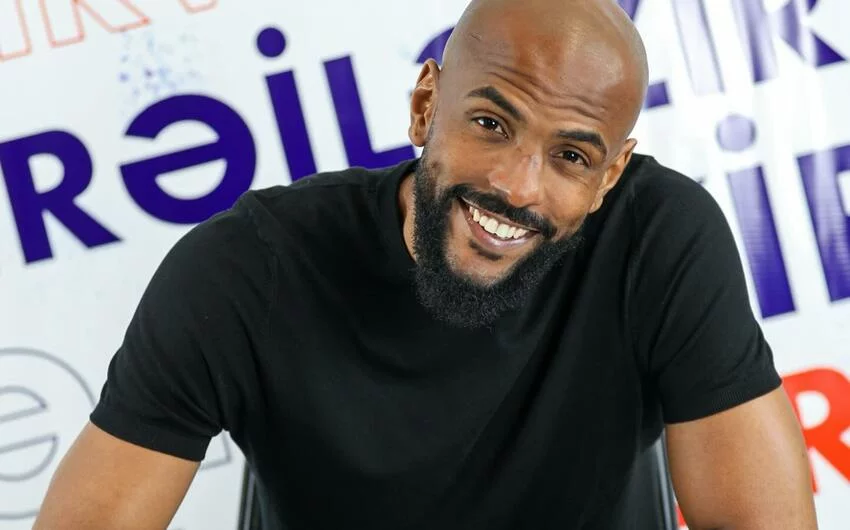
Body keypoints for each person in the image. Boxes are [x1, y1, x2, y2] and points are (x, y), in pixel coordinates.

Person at [34, 0, 817, 528]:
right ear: (425, 106)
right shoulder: (248, 269)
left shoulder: (660, 238)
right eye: (491, 123)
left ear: (610, 175)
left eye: (571, 156)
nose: (517, 186)